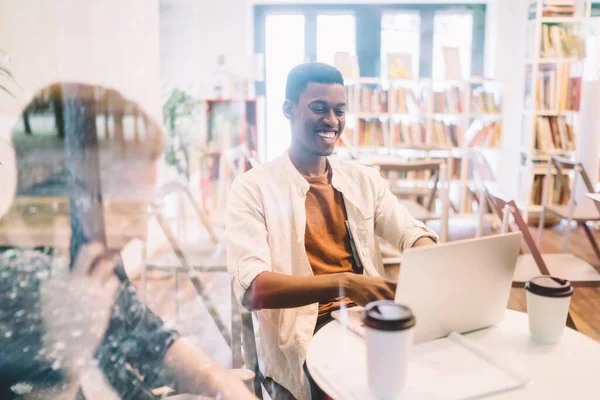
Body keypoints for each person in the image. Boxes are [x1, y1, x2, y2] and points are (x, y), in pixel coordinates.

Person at [0, 83, 256, 400]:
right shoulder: (16, 287)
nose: (140, 233)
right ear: (50, 183)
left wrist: (219, 383)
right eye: (124, 208)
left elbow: (149, 338)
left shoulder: (83, 255)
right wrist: (66, 356)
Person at [226, 62, 439, 400]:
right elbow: (255, 290)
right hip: (307, 332)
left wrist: (434, 256)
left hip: (367, 319)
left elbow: (409, 232)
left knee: (435, 372)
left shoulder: (363, 179)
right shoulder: (253, 189)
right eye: (319, 108)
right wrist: (346, 283)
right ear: (288, 110)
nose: (332, 121)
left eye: (340, 111)